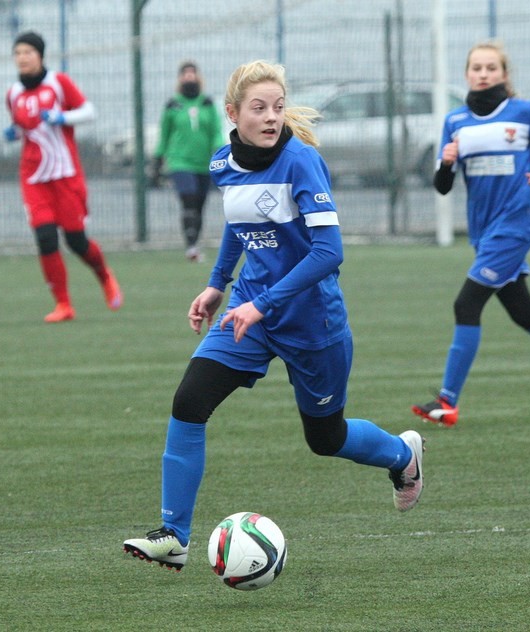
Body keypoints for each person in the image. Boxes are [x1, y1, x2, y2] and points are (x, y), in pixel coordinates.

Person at [123, 61, 424, 570]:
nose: (270, 117)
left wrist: (262, 304)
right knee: (189, 401)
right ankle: (174, 536)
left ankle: (402, 455)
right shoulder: (223, 163)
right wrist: (217, 284)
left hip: (311, 320)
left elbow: (329, 252)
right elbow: (239, 222)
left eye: (278, 107)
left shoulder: (301, 162)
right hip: (248, 310)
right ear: (233, 113)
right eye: (259, 108)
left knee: (325, 438)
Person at [411, 40, 530, 427]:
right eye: (476, 68)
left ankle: (447, 401)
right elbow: (442, 187)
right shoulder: (455, 121)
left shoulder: (523, 111)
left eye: (491, 68)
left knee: (466, 305)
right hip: (484, 233)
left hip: (515, 227)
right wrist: (446, 164)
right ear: (467, 74)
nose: (483, 74)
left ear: (504, 74)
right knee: (523, 313)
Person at [4, 31, 123, 323]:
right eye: (18, 53)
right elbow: (24, 127)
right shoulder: (13, 93)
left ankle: (104, 275)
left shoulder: (58, 82)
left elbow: (89, 111)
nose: (22, 58)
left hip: (65, 175)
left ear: (40, 55)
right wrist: (14, 133)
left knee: (76, 240)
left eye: (28, 52)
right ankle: (63, 304)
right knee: (45, 238)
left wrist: (62, 117)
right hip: (34, 177)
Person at [150, 60, 225, 262]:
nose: (189, 77)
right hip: (180, 162)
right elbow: (164, 136)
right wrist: (157, 162)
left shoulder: (207, 103)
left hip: (204, 163)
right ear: (180, 78)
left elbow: (216, 132)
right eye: (185, 73)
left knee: (199, 204)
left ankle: (195, 243)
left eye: (192, 73)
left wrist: (220, 152)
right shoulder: (173, 105)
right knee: (189, 199)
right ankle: (190, 246)